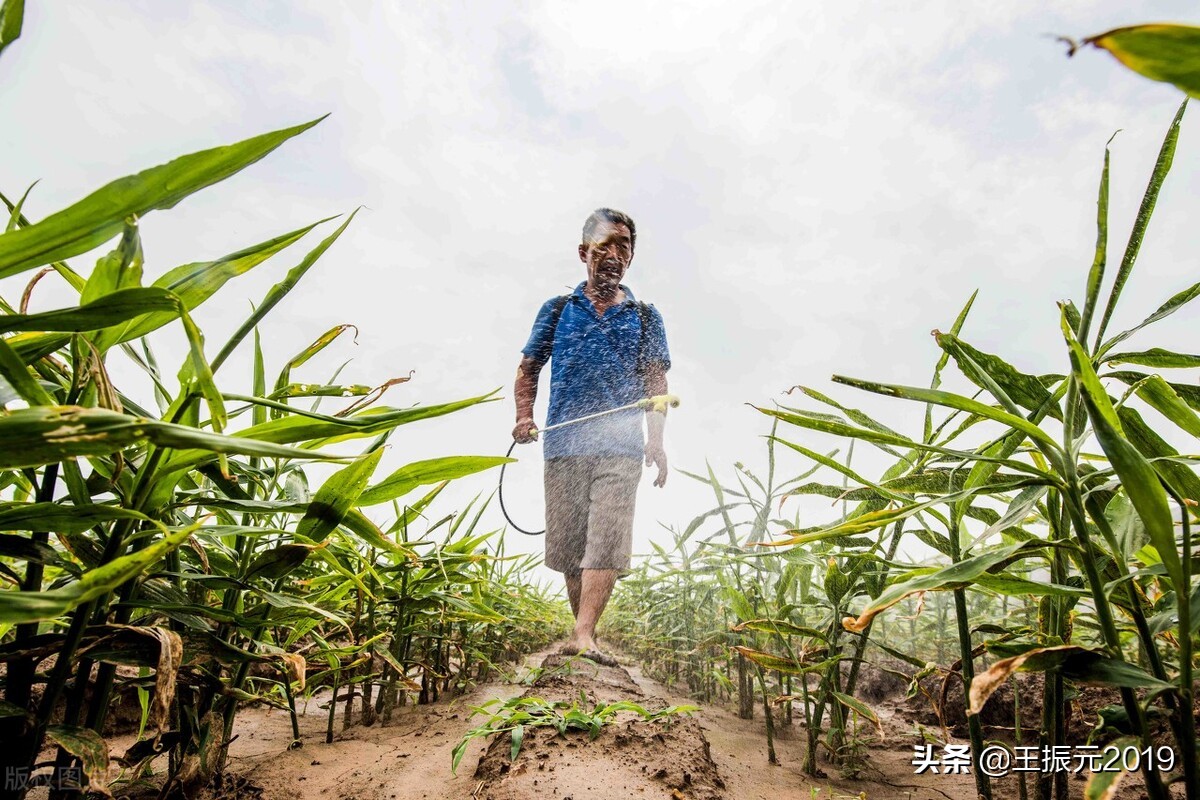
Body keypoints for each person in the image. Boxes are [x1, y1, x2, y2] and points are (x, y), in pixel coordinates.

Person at [512, 208, 671, 667]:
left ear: (631, 257)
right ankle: (583, 631)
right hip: (563, 446)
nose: (614, 255)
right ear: (584, 252)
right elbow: (528, 369)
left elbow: (656, 383)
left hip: (620, 448)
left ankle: (584, 633)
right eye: (604, 245)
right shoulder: (557, 310)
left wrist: (655, 441)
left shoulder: (645, 316)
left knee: (606, 541)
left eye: (623, 246)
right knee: (570, 548)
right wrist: (524, 416)